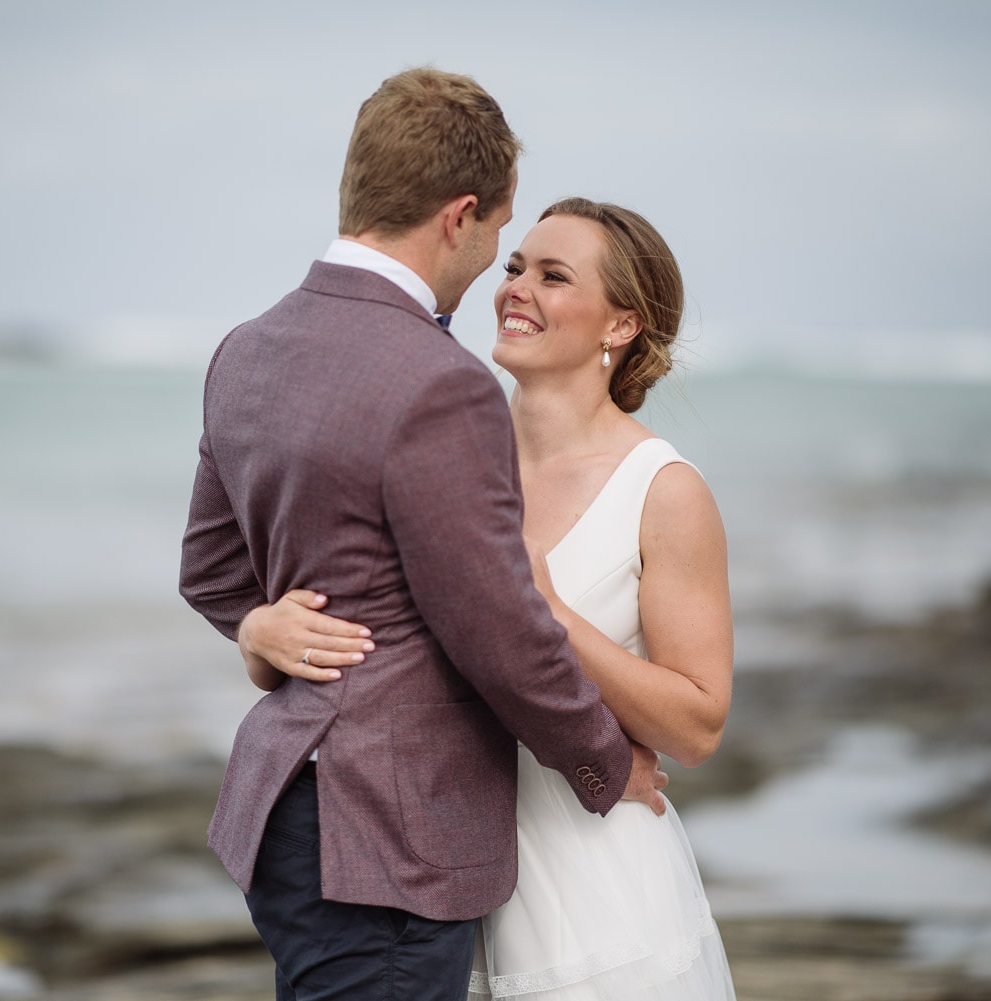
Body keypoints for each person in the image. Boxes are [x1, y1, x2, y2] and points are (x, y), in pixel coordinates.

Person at [178, 70, 667, 1001]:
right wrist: (607, 761)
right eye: (497, 239)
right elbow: (497, 627)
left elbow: (208, 569)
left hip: (287, 813)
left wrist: (253, 623)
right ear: (461, 215)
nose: (495, 267)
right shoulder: (439, 380)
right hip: (385, 839)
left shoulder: (245, 347)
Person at [240, 197, 737, 999]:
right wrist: (259, 628)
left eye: (553, 276)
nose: (515, 288)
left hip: (588, 887)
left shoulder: (664, 490)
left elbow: (698, 722)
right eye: (514, 266)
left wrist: (552, 615)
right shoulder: (441, 447)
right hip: (421, 870)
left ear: (621, 326)